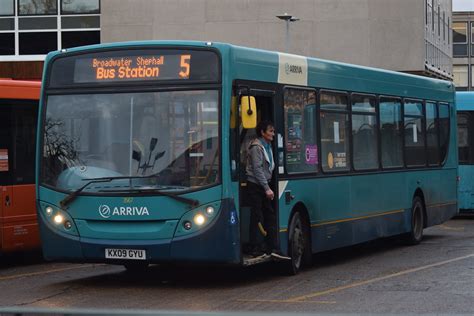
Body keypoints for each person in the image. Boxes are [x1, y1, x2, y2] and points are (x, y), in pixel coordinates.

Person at [245, 120, 278, 257]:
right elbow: (257, 169)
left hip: (264, 184)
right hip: (256, 185)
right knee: (257, 216)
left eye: (273, 131)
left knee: (269, 214)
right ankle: (255, 247)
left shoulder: (267, 145)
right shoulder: (256, 147)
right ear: (262, 132)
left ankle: (269, 246)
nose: (273, 134)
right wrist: (267, 188)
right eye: (270, 131)